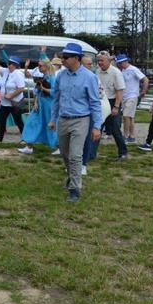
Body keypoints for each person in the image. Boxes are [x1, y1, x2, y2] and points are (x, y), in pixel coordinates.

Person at [49, 43, 102, 202]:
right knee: (65, 154)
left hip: (81, 120)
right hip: (63, 120)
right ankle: (72, 176)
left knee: (75, 155)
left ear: (76, 58)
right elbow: (56, 99)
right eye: (62, 57)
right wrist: (53, 119)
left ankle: (75, 189)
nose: (62, 60)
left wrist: (97, 127)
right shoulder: (61, 76)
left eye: (65, 57)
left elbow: (95, 103)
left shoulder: (90, 77)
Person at [18, 58, 58, 154]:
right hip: (40, 105)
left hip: (48, 106)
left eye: (40, 66)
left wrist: (43, 88)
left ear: (46, 67)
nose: (39, 67)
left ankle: (59, 146)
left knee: (50, 125)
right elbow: (37, 91)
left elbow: (54, 92)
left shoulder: (53, 79)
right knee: (31, 122)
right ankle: (29, 145)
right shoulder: (42, 78)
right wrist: (35, 102)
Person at [96, 51, 128, 161]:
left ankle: (123, 153)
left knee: (115, 130)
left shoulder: (116, 72)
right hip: (101, 102)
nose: (100, 63)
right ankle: (91, 154)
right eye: (98, 60)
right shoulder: (97, 72)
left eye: (102, 61)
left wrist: (116, 107)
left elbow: (120, 90)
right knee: (97, 129)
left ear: (109, 61)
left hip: (112, 101)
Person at [0, 52, 26, 142]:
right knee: (2, 120)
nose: (8, 65)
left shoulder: (18, 74)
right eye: (8, 63)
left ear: (15, 65)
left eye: (10, 63)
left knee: (18, 121)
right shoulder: (6, 71)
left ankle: (25, 139)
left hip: (14, 102)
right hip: (5, 102)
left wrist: (11, 95)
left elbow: (21, 88)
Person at [116, 54, 149, 143]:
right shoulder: (122, 71)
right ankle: (132, 136)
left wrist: (143, 91)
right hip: (125, 96)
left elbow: (145, 79)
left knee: (126, 115)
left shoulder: (133, 69)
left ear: (125, 61)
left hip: (132, 96)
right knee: (130, 117)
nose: (119, 65)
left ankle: (125, 135)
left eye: (120, 63)